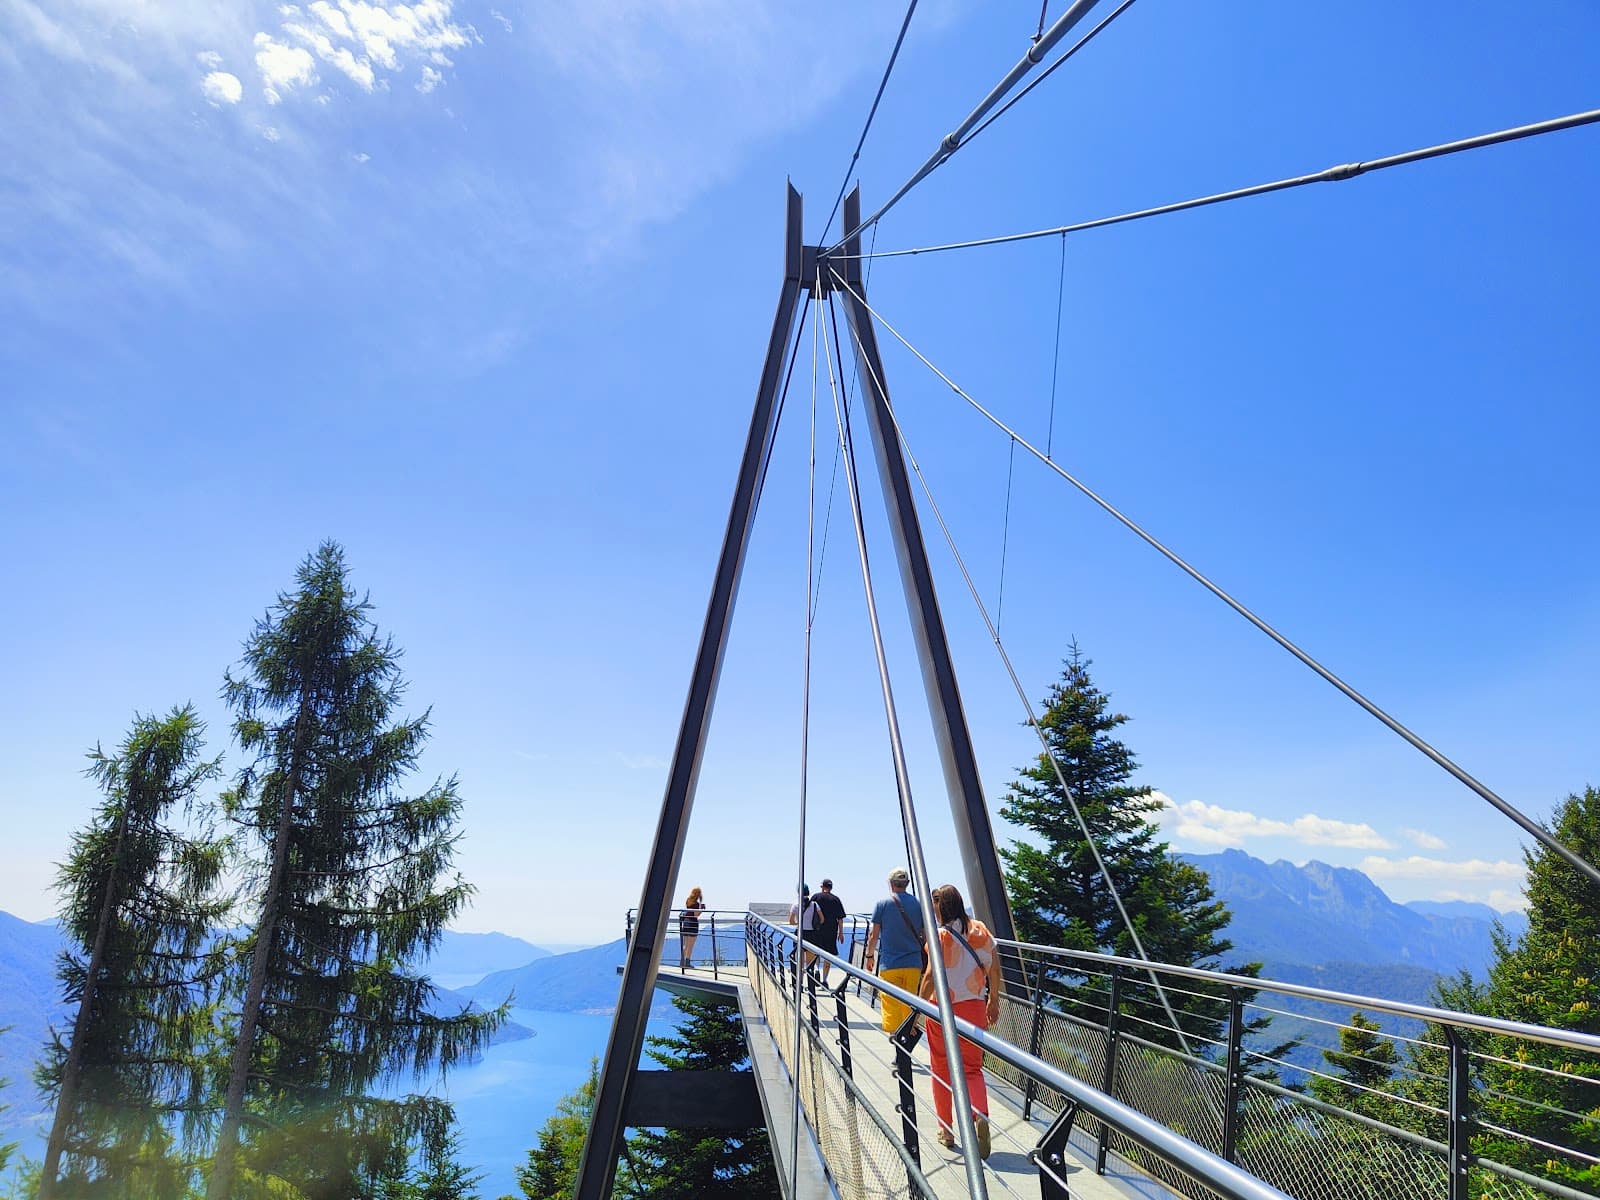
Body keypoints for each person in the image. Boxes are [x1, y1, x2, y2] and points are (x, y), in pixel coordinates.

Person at [919, 883, 1000, 1159]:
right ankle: (980, 1115)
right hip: (975, 1007)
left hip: (942, 1010)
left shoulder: (939, 936)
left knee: (941, 1068)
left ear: (941, 908)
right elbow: (995, 965)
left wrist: (918, 1005)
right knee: (972, 1069)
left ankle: (946, 1129)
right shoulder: (980, 929)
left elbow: (931, 976)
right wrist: (994, 999)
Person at [864, 867, 925, 1034]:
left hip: (890, 964)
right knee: (909, 1006)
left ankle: (898, 1047)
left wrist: (870, 956)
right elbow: (925, 935)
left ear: (890, 883)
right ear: (907, 883)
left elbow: (873, 935)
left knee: (891, 1006)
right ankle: (906, 1044)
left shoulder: (882, 904)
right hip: (913, 964)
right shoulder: (918, 905)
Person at [812, 879, 847, 986]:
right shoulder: (836, 900)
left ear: (822, 887)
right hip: (831, 931)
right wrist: (841, 933)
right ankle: (824, 980)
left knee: (815, 952)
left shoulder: (815, 897)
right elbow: (840, 918)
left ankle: (816, 969)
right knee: (828, 955)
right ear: (831, 888)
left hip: (817, 929)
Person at [789, 885, 822, 971]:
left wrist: (799, 922)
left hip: (800, 933)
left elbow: (791, 922)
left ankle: (800, 982)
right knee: (810, 962)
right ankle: (811, 981)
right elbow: (822, 919)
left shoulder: (795, 905)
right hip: (811, 934)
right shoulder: (814, 904)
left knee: (800, 961)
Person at [678, 886, 705, 970]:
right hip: (693, 924)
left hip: (685, 923)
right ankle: (687, 962)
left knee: (685, 944)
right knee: (690, 946)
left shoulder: (688, 901)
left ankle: (682, 961)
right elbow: (696, 915)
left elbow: (688, 911)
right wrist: (701, 908)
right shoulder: (696, 904)